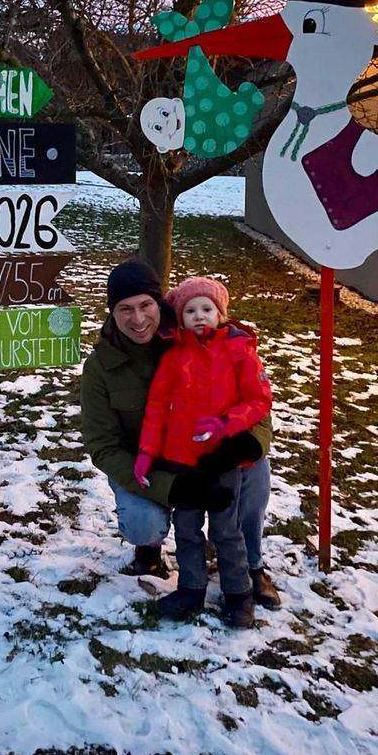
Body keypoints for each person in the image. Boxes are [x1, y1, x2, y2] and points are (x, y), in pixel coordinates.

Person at [79, 260, 281, 609]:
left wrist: (243, 445)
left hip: (212, 452)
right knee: (144, 522)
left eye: (146, 305)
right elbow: (102, 446)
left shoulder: (203, 337)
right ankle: (150, 550)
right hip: (150, 465)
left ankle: (251, 566)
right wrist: (169, 486)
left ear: (160, 304)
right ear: (112, 313)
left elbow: (258, 406)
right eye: (125, 309)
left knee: (256, 471)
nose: (138, 319)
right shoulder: (101, 367)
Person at [135, 276, 271, 628]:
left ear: (220, 314)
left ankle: (238, 593)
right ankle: (191, 587)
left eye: (207, 309)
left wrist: (226, 424)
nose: (199, 316)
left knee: (227, 529)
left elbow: (258, 399)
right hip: (182, 461)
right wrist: (147, 453)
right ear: (180, 318)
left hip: (221, 459)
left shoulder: (239, 350)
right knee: (186, 528)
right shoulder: (173, 356)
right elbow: (156, 407)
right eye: (190, 310)